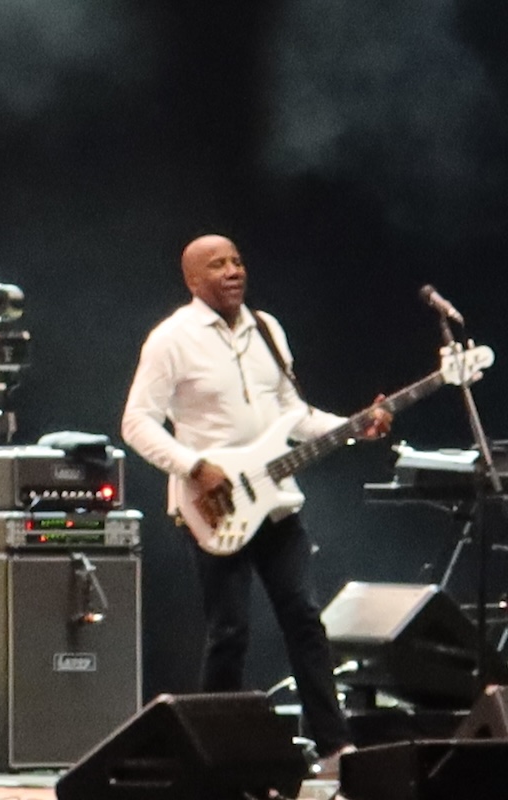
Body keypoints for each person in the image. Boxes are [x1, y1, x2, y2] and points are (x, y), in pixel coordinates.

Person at [120, 234, 391, 773]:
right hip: (215, 506)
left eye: (237, 261)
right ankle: (211, 755)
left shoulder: (267, 328)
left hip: (278, 505)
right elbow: (136, 422)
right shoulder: (172, 339)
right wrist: (194, 466)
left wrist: (354, 427)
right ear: (192, 280)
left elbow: (295, 415)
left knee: (305, 621)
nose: (232, 271)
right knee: (230, 631)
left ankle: (335, 748)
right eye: (217, 265)